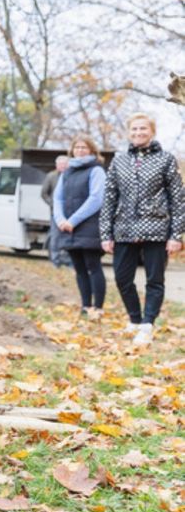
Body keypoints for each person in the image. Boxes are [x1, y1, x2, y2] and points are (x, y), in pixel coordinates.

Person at [100, 113, 185, 345]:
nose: (138, 133)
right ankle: (135, 319)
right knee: (122, 278)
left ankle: (148, 324)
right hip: (124, 229)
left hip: (157, 229)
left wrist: (176, 235)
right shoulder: (119, 160)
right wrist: (106, 234)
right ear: (129, 132)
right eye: (134, 129)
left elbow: (178, 199)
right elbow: (109, 198)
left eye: (143, 129)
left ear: (152, 131)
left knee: (154, 280)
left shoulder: (166, 159)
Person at [53, 138, 106, 319]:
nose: (80, 150)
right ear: (72, 149)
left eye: (84, 147)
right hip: (68, 228)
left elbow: (96, 199)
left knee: (93, 266)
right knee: (79, 269)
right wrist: (60, 220)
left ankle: (98, 308)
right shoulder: (66, 172)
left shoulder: (96, 170)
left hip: (89, 227)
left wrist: (73, 220)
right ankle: (85, 306)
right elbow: (57, 199)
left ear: (92, 150)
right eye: (77, 146)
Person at [41, 155, 72, 267]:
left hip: (70, 213)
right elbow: (44, 193)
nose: (63, 166)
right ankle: (55, 261)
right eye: (61, 164)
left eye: (65, 164)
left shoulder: (72, 176)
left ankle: (69, 261)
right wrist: (53, 204)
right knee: (55, 236)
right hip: (55, 213)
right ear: (57, 165)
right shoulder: (51, 176)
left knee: (69, 237)